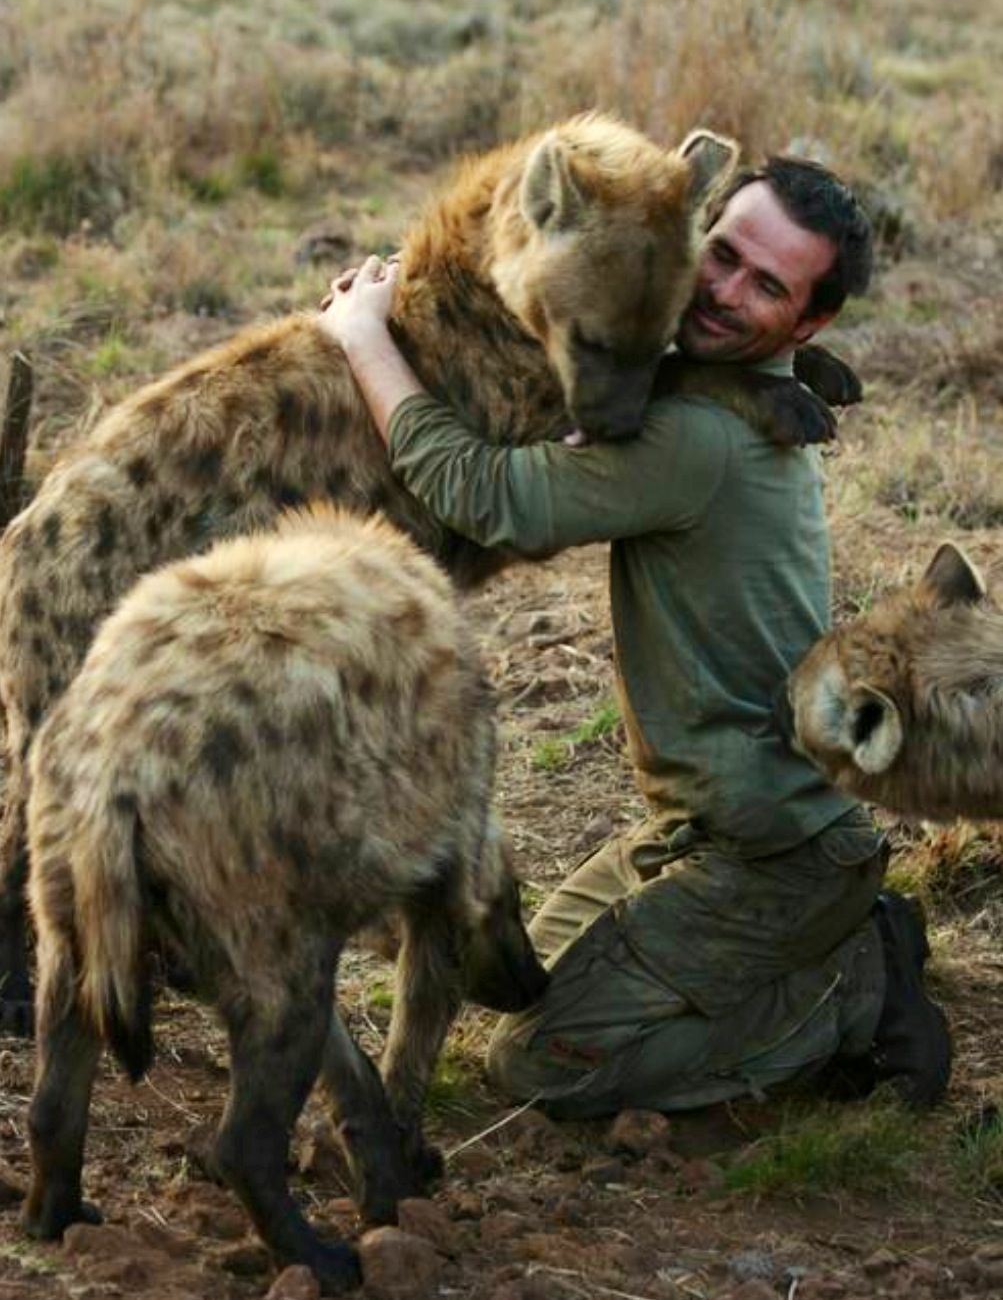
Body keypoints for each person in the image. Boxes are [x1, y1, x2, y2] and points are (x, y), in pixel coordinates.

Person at [318, 155, 951, 1117]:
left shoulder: (694, 440)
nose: (726, 290)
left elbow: (487, 497)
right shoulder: (724, 391)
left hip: (775, 851)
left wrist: (362, 335)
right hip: (705, 827)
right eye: (723, 254)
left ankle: (851, 993)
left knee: (538, 1064)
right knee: (524, 986)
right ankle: (813, 944)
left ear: (810, 323)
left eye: (766, 285)